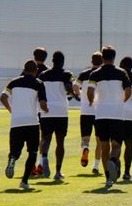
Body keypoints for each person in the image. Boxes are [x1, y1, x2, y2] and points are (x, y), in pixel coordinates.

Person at [87, 46, 131, 189]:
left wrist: (91, 102)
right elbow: (128, 90)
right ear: (114, 57)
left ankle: (107, 178)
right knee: (116, 145)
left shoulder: (95, 73)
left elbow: (90, 91)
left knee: (104, 146)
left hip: (101, 113)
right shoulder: (121, 72)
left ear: (102, 57)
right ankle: (113, 160)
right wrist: (122, 101)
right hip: (117, 114)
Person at [0, 60, 48, 190]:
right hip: (32, 122)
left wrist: (11, 110)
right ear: (36, 71)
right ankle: (24, 181)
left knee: (15, 150)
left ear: (24, 69)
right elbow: (43, 104)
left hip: (16, 122)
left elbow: (3, 97)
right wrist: (46, 109)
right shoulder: (38, 83)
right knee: (32, 152)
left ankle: (12, 158)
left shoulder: (14, 82)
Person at [38, 51, 76, 180]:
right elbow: (68, 87)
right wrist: (74, 94)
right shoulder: (66, 74)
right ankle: (58, 172)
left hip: (46, 110)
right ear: (62, 62)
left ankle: (44, 157)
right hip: (61, 111)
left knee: (45, 138)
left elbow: (39, 91)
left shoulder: (43, 74)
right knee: (60, 142)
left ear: (52, 61)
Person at [73, 52, 104, 174]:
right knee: (99, 141)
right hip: (99, 111)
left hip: (85, 111)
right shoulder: (102, 74)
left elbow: (75, 87)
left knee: (85, 138)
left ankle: (85, 148)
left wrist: (80, 95)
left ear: (91, 62)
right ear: (102, 62)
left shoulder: (84, 74)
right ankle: (96, 166)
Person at [29, 47, 48, 177]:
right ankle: (41, 163)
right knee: (44, 137)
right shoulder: (47, 71)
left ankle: (32, 166)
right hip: (44, 108)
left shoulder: (28, 71)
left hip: (31, 108)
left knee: (32, 139)